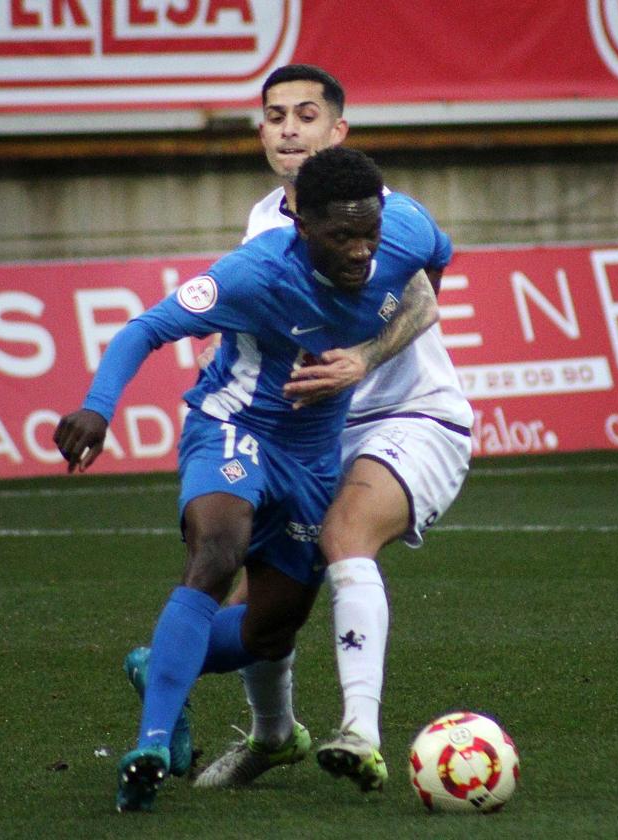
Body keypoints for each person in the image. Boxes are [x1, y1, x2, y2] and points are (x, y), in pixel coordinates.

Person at [53, 146, 451, 812]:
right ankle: (151, 744)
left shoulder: (406, 229)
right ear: (302, 227)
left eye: (369, 235)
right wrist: (98, 407)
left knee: (271, 630)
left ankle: (163, 671)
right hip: (234, 426)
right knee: (217, 551)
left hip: (314, 458)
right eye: (341, 237)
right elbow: (145, 329)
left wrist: (378, 344)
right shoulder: (254, 273)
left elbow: (431, 271)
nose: (360, 251)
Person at [194, 65, 473, 794]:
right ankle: (274, 737)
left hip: (414, 416)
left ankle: (362, 733)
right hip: (317, 437)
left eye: (307, 114)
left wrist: (367, 355)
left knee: (345, 535)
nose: (290, 128)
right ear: (260, 133)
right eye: (276, 115)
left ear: (338, 130)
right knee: (260, 598)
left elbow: (426, 299)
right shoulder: (261, 227)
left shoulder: (382, 210)